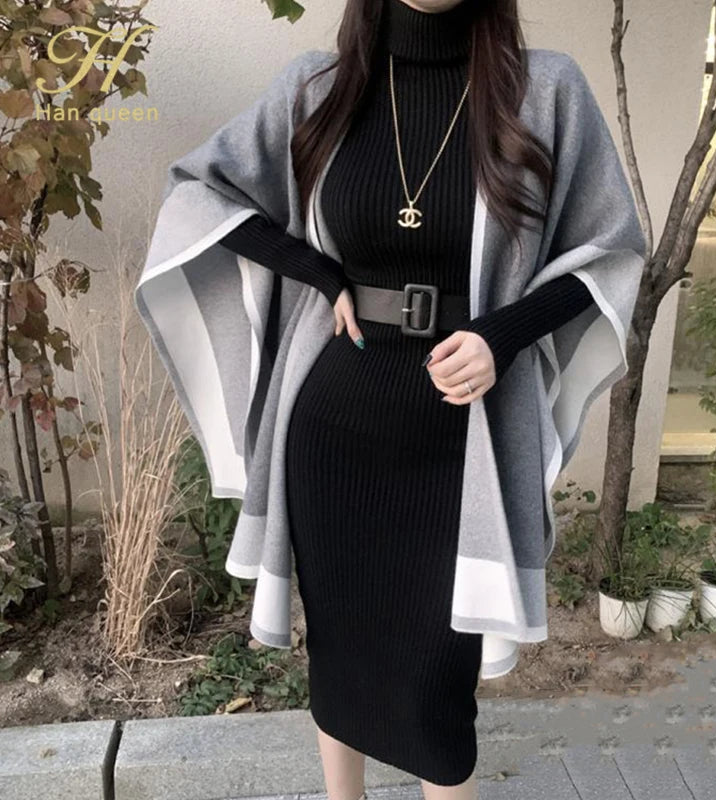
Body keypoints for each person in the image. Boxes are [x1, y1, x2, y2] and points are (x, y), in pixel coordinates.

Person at [215, 1, 595, 798]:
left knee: (436, 687)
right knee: (340, 653)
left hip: (461, 434)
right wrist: (316, 272)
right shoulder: (318, 89)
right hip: (334, 423)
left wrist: (502, 336)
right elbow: (204, 193)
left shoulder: (544, 90)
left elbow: (609, 253)